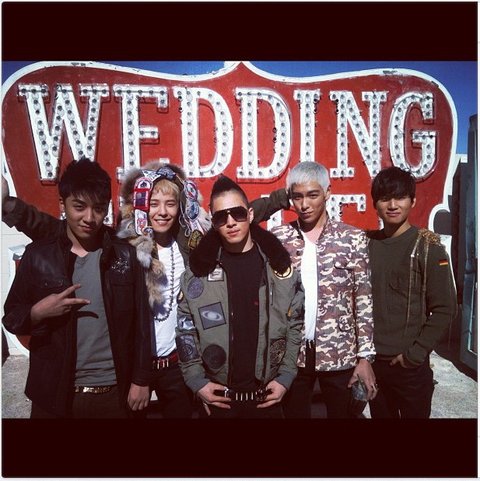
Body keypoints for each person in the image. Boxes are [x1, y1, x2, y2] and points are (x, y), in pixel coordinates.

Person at [2, 160, 210, 419]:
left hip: (145, 377)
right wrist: (37, 312)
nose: (89, 218)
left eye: (170, 204)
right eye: (154, 203)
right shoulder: (119, 247)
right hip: (70, 386)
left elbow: (144, 322)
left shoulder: (164, 248)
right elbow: (53, 230)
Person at [251, 161, 377, 418]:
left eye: (312, 195)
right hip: (292, 356)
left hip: (340, 353)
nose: (304, 204)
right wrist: (278, 199)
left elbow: (363, 300)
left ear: (327, 193)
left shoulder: (352, 238)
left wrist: (365, 358)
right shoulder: (280, 238)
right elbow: (245, 220)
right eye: (297, 197)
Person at [175, 175, 304, 419]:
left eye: (238, 213)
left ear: (250, 214)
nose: (231, 222)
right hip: (219, 403)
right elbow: (185, 331)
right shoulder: (197, 276)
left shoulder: (279, 271)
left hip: (267, 400)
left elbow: (295, 325)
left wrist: (286, 376)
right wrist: (196, 381)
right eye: (221, 217)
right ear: (213, 222)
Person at [116, 161, 209, 418]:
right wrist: (139, 376)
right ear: (142, 207)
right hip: (137, 367)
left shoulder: (188, 249)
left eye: (170, 204)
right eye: (154, 204)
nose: (163, 212)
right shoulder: (127, 251)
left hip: (177, 366)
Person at [367, 166, 457, 418]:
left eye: (400, 197)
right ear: (375, 204)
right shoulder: (367, 245)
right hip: (373, 364)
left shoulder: (428, 247)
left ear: (412, 201)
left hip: (408, 366)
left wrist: (414, 355)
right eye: (385, 198)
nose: (392, 205)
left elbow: (445, 308)